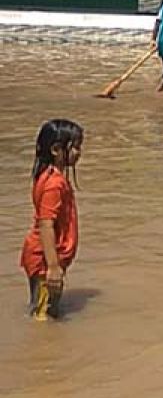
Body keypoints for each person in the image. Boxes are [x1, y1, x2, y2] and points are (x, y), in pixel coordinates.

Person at [20, 119, 84, 321]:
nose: (79, 152)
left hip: (44, 257)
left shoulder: (46, 176)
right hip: (44, 260)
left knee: (45, 311)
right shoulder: (54, 184)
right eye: (75, 147)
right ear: (57, 149)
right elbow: (46, 224)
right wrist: (54, 267)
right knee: (44, 319)